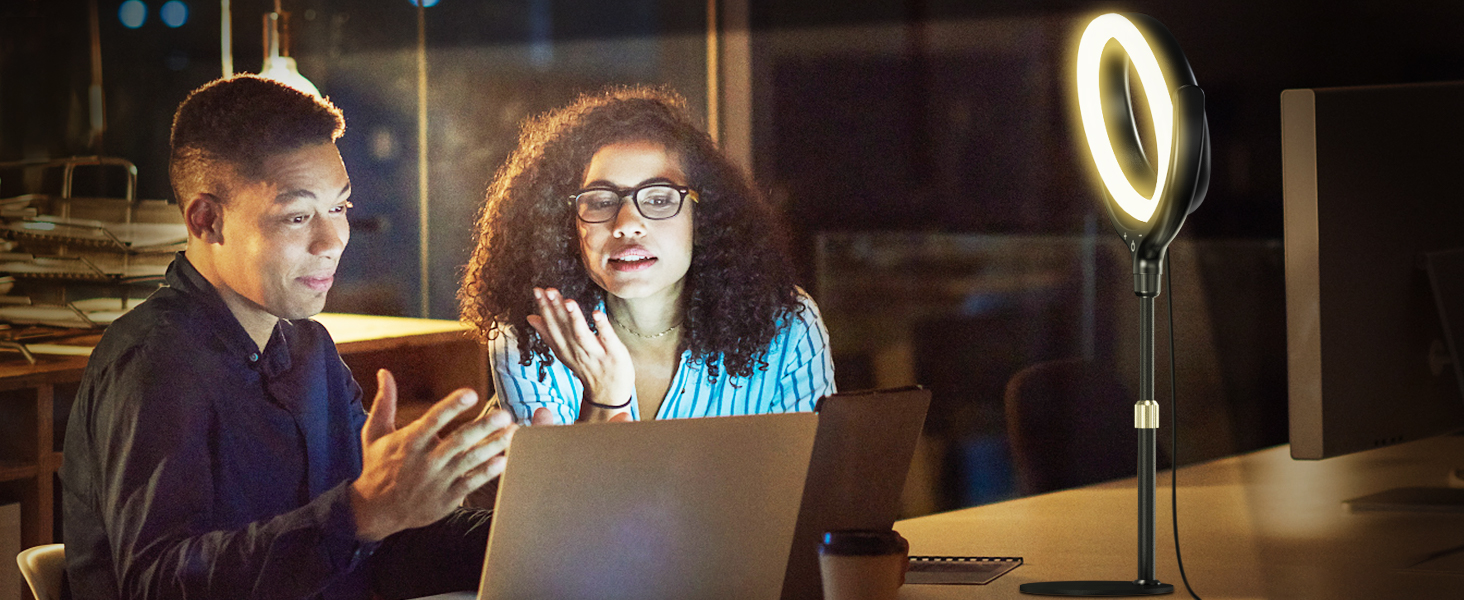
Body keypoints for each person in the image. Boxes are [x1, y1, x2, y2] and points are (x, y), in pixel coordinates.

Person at [60, 75, 516, 600]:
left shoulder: (309, 351)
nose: (332, 241)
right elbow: (158, 583)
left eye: (339, 208)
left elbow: (377, 551)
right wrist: (362, 512)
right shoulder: (154, 361)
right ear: (207, 220)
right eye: (298, 216)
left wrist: (529, 533)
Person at [459, 86, 835, 425]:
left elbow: (817, 489)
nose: (627, 224)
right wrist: (604, 398)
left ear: (703, 218)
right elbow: (561, 501)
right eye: (602, 201)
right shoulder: (527, 337)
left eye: (658, 199)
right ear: (564, 225)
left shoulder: (787, 325)